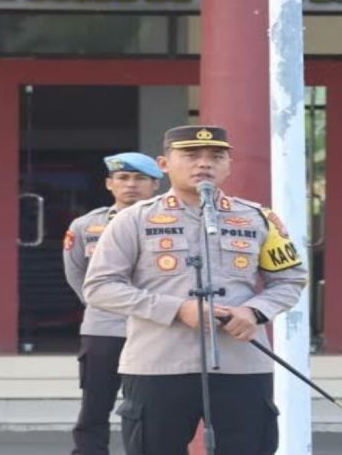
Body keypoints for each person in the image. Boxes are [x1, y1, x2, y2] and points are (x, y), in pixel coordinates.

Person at [83, 125, 307, 455]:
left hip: (241, 363)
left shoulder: (260, 219)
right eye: (191, 155)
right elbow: (100, 287)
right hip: (159, 362)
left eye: (216, 156)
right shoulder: (132, 220)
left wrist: (255, 311)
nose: (204, 164)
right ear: (164, 163)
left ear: (229, 165)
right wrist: (176, 309)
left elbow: (290, 280)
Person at [63, 152, 162, 455]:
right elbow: (76, 272)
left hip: (157, 329)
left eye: (140, 178)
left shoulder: (171, 221)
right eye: (123, 178)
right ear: (109, 183)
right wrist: (106, 302)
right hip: (104, 328)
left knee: (153, 411)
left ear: (155, 185)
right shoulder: (85, 225)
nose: (131, 184)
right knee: (95, 408)